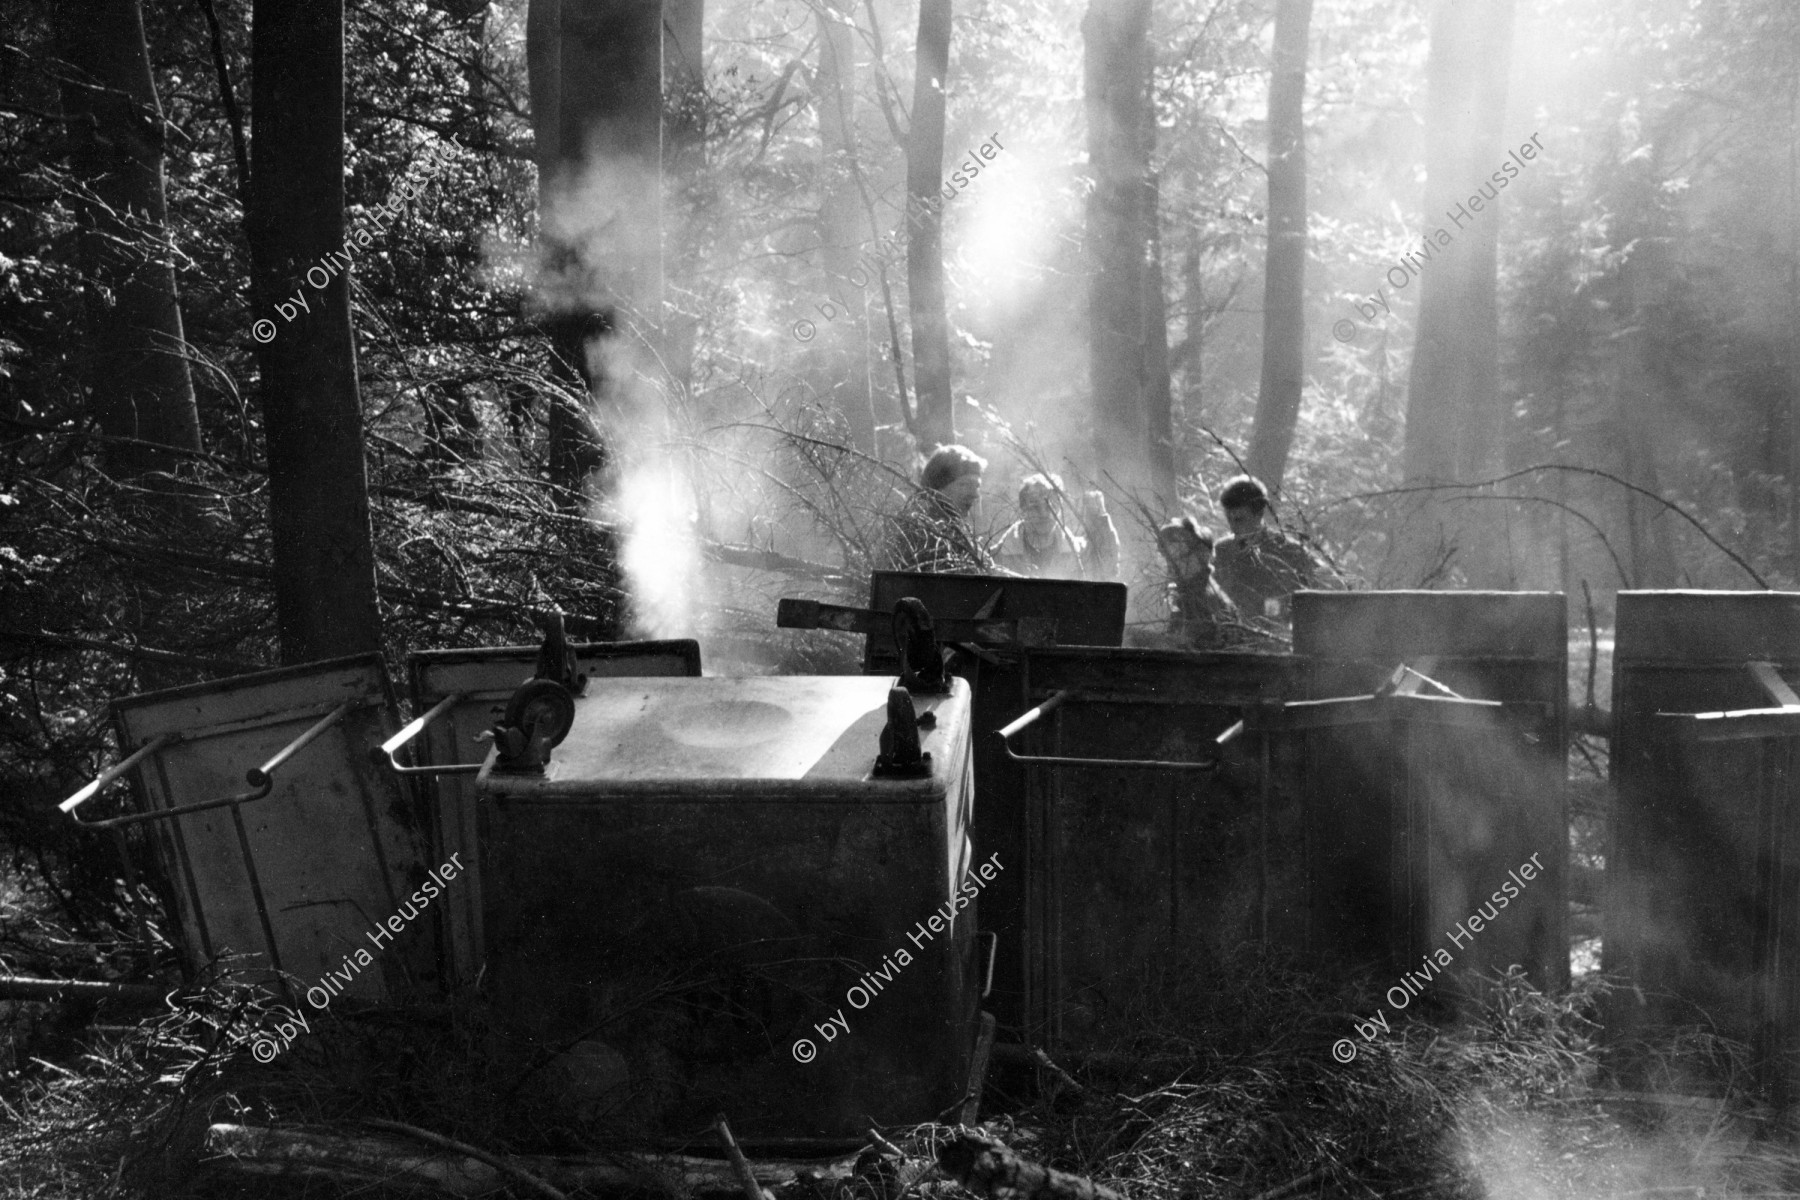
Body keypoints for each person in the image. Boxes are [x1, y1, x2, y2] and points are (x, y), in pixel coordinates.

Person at [882, 444, 1009, 574]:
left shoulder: (956, 529)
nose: (975, 494)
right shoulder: (921, 531)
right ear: (938, 487)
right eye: (965, 484)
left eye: (977, 486)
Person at [1211, 475, 1318, 623]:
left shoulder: (1287, 550)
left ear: (1259, 514)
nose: (1233, 526)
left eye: (1239, 519)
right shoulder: (1221, 550)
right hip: (1231, 634)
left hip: (1275, 635)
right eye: (1229, 519)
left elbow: (1318, 588)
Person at [994, 474, 1121, 579]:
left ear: (1060, 507)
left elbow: (1108, 569)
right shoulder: (999, 556)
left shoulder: (1079, 552)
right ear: (1022, 510)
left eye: (1051, 506)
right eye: (1034, 506)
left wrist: (1099, 518)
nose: (1044, 513)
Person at [1156, 517, 1237, 647]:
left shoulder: (1200, 595)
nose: (1172, 565)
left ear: (1202, 555)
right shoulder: (1191, 591)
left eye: (1180, 557)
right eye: (1168, 559)